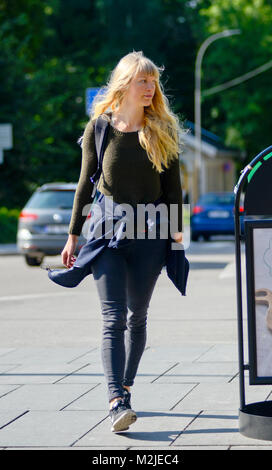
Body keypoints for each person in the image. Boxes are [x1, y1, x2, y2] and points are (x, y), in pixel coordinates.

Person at [61, 51, 186, 432]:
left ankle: (126, 386)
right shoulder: (100, 128)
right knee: (113, 318)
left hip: (150, 236)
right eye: (142, 81)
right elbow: (86, 184)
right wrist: (73, 236)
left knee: (137, 317)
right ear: (124, 85)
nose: (149, 88)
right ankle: (116, 400)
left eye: (153, 82)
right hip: (106, 234)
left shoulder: (162, 130)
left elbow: (173, 191)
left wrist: (176, 242)